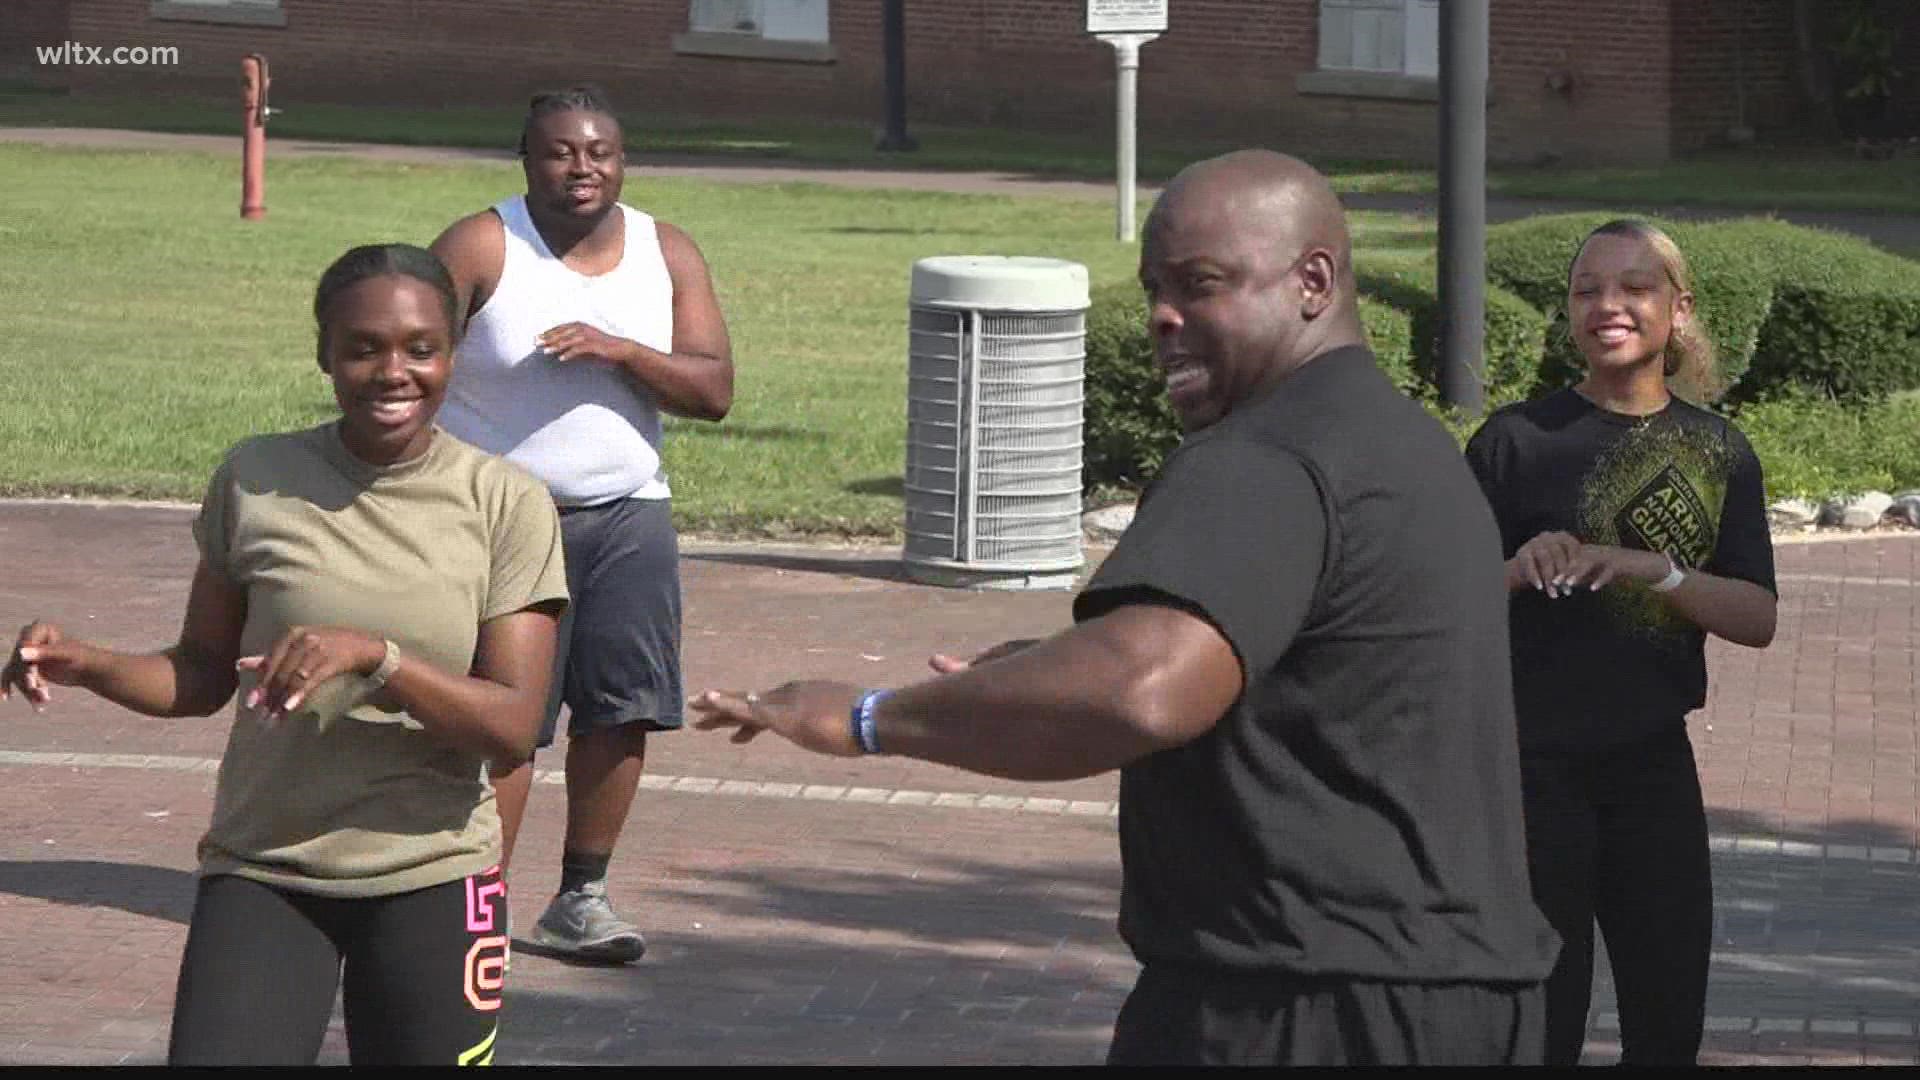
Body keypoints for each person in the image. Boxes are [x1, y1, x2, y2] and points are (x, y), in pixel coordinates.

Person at [689, 149, 1557, 1066]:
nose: (1162, 317)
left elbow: (1141, 688)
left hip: (1299, 1004)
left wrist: (867, 717)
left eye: (1202, 285)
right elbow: (1318, 675)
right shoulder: (1402, 445)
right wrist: (1052, 665)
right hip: (1458, 999)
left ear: (1313, 281)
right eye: (1155, 290)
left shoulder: (1262, 458)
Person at [2, 243, 568, 1065]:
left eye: (420, 348)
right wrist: (87, 663)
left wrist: (379, 658)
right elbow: (200, 674)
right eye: (363, 347)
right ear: (324, 355)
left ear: (452, 354)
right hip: (265, 865)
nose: (392, 372)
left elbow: (513, 726)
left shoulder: (505, 502)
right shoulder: (257, 477)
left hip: (435, 872)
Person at [428, 85, 733, 965]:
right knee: (507, 724)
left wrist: (622, 349)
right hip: (507, 523)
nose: (582, 167)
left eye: (599, 151)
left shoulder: (665, 250)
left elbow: (713, 390)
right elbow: (407, 343)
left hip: (630, 514)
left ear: (622, 160)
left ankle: (582, 898)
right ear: (527, 160)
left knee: (621, 711)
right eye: (561, 151)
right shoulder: (484, 243)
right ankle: (475, 904)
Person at [1463, 219, 1777, 1065]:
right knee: (1540, 1032)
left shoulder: (1719, 451)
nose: (1608, 305)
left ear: (1677, 310)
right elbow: (1436, 605)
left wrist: (1655, 571)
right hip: (1532, 776)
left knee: (1667, 1023)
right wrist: (1517, 569)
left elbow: (1757, 617)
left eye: (1634, 287)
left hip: (1652, 770)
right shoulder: (1513, 441)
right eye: (1587, 289)